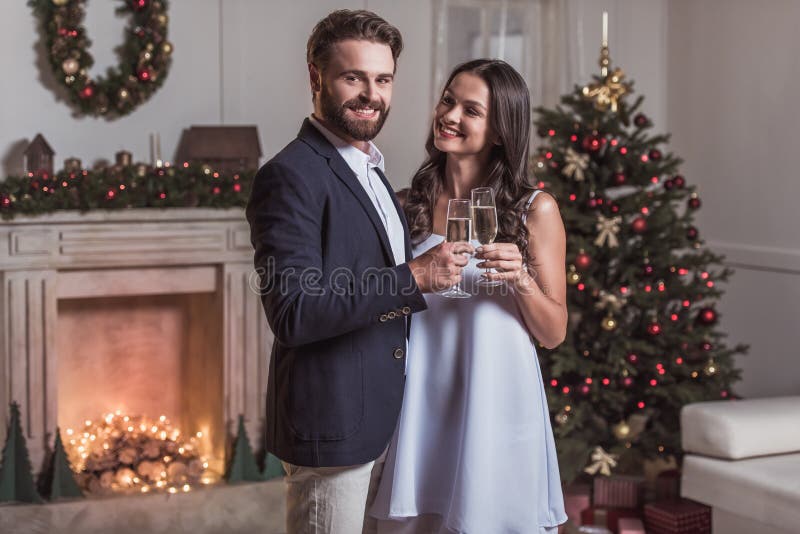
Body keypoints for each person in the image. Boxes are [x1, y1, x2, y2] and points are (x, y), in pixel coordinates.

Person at [245, 10, 473, 534]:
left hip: (386, 420)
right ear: (316, 77)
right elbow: (294, 311)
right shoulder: (289, 175)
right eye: (354, 77)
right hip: (331, 426)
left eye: (383, 79)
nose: (371, 94)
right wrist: (413, 277)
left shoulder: (370, 167)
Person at [370, 59, 569, 533]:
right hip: (421, 399)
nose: (450, 115)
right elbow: (380, 303)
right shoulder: (404, 205)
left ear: (500, 130)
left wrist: (520, 278)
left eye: (471, 110)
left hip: (495, 400)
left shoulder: (534, 210)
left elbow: (554, 332)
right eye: (447, 100)